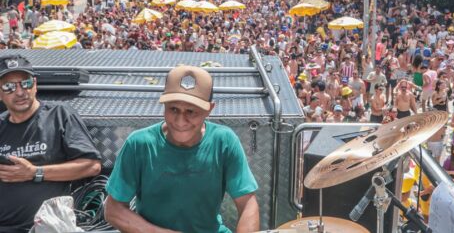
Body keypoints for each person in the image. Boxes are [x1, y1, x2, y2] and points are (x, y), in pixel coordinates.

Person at [105, 66, 259, 233]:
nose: (180, 121)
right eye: (173, 109)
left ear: (209, 109)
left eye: (191, 112)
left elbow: (248, 203)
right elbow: (113, 209)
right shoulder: (139, 144)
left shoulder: (224, 142)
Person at [0, 55, 102, 233]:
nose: (20, 92)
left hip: (48, 226)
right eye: (9, 86)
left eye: (25, 83)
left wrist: (34, 173)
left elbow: (92, 166)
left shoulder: (59, 115)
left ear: (35, 84)